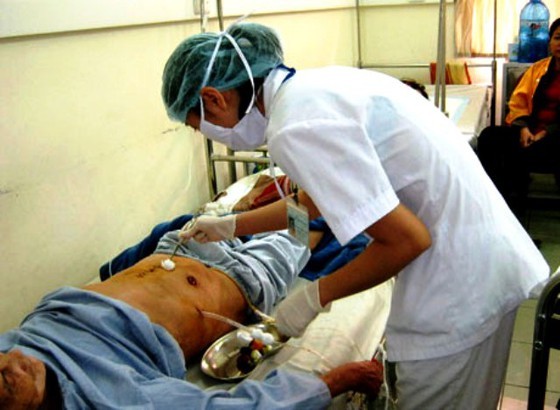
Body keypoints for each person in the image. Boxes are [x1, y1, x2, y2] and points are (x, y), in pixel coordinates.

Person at [161, 22, 550, 409]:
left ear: (213, 99)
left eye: (200, 129)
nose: (210, 136)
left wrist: (315, 296)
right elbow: (314, 200)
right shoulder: (313, 90)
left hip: (458, 287)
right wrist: (230, 226)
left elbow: (407, 240)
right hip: (480, 259)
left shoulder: (296, 125)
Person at [0, 229, 383, 409]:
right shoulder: (112, 399)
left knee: (257, 200)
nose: (7, 362)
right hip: (241, 279)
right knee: (306, 225)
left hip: (177, 244)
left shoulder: (14, 355)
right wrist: (333, 382)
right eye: (2, 382)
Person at [477, 18, 560, 222]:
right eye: (558, 38)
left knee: (519, 155)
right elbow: (518, 100)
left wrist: (546, 132)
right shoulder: (538, 69)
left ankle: (514, 208)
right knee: (490, 136)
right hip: (530, 133)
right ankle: (494, 205)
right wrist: (523, 128)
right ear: (549, 42)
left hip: (555, 138)